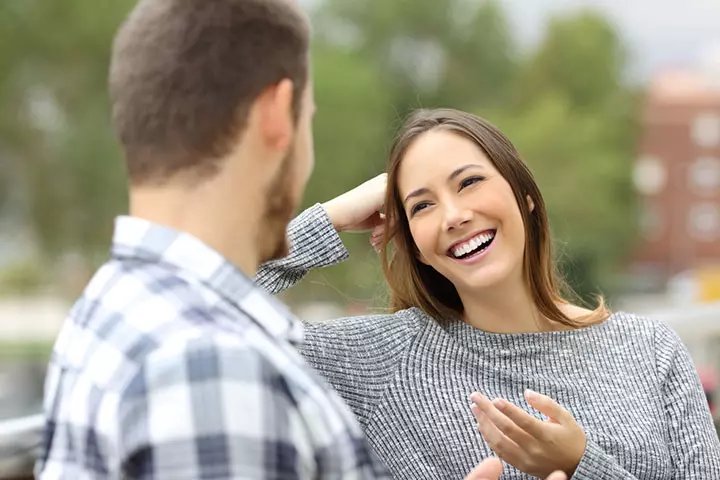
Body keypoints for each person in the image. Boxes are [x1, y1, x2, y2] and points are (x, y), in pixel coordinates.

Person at [34, 1, 570, 479]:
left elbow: (220, 293)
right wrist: (326, 222)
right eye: (309, 119)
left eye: (471, 182)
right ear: (276, 114)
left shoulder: (114, 307)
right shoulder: (211, 367)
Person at [257, 108, 720, 479]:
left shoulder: (650, 351)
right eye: (422, 205)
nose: (454, 215)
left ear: (525, 195)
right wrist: (330, 218)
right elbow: (192, 308)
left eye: (469, 182)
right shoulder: (377, 362)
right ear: (414, 246)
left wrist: (580, 466)